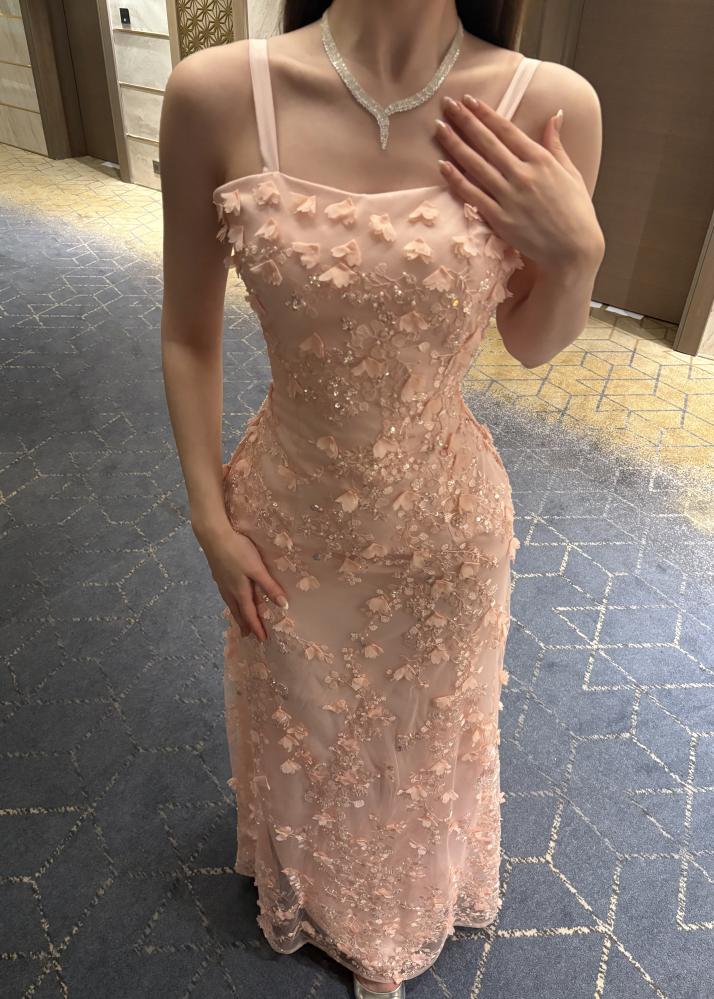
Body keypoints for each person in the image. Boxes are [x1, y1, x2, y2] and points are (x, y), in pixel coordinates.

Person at [159, 1, 604, 995]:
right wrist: (207, 515)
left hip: (443, 522)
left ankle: (394, 910)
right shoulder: (218, 93)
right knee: (304, 728)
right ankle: (315, 885)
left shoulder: (549, 104)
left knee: (419, 737)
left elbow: (531, 342)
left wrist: (577, 256)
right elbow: (188, 331)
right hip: (284, 515)